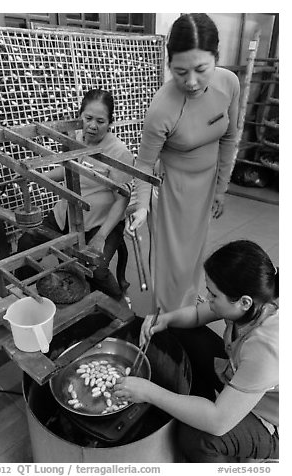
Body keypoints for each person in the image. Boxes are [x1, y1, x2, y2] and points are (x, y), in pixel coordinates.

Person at [114, 240, 279, 463]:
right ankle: (204, 401)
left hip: (270, 417)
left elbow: (218, 422)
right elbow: (199, 315)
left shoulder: (266, 348)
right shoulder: (252, 301)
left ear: (244, 302)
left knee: (198, 438)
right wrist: (165, 319)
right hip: (240, 375)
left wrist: (149, 392)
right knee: (180, 332)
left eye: (213, 295)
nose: (207, 299)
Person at [126, 13, 240, 312]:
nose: (190, 82)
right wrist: (140, 205)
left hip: (206, 183)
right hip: (172, 189)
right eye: (179, 72)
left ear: (217, 57)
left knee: (194, 251)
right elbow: (144, 164)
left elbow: (229, 137)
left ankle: (187, 301)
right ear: (169, 66)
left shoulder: (229, 84)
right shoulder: (162, 109)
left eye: (201, 69)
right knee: (171, 258)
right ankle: (168, 314)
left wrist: (221, 188)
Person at [16, 89, 134, 301]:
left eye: (101, 121)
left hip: (102, 222)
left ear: (110, 122)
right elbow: (68, 170)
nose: (93, 126)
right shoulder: (77, 139)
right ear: (80, 116)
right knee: (27, 245)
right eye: (88, 118)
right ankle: (27, 298)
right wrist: (35, 176)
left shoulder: (118, 152)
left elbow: (121, 200)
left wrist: (101, 236)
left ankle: (120, 304)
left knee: (95, 268)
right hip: (68, 213)